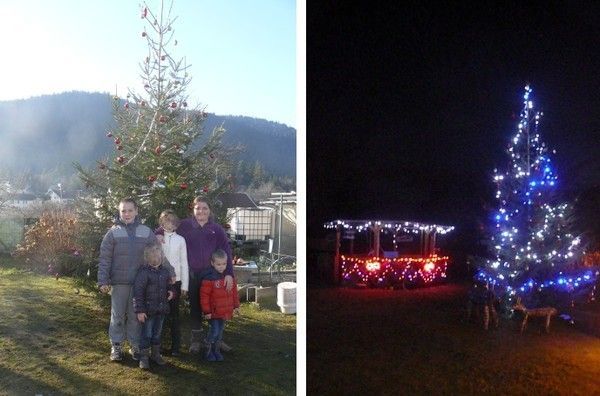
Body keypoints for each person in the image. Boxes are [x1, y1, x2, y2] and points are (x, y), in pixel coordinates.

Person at [98, 197, 175, 362]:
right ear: (119, 212)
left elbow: (158, 253)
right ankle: (116, 346)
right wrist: (103, 280)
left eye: (130, 210)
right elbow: (105, 259)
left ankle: (135, 345)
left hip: (140, 284)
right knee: (117, 315)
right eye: (123, 211)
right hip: (119, 283)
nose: (127, 214)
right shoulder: (112, 233)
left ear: (136, 211)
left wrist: (170, 271)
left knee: (135, 317)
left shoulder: (146, 232)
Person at [168, 196, 235, 354]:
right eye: (198, 208)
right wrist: (157, 234)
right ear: (193, 209)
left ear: (209, 210)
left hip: (212, 275)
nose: (201, 211)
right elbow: (167, 226)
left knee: (215, 306)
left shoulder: (216, 229)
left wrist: (228, 273)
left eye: (204, 208)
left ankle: (216, 340)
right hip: (192, 275)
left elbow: (226, 251)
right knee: (196, 307)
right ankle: (196, 341)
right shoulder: (184, 225)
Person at [133, 243, 175, 369]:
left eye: (158, 257)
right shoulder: (143, 273)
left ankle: (156, 354)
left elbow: (169, 286)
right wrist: (139, 310)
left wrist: (172, 292)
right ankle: (144, 357)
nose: (156, 260)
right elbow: (138, 293)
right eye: (153, 257)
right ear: (147, 258)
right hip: (148, 311)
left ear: (162, 257)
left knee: (157, 334)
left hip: (161, 310)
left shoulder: (165, 271)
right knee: (147, 334)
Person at [158, 209, 189, 356]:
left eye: (171, 221)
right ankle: (158, 346)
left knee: (174, 315)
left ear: (176, 224)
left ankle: (175, 347)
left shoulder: (180, 240)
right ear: (161, 222)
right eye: (165, 220)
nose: (168, 223)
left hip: (176, 282)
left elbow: (184, 263)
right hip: (159, 281)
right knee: (160, 314)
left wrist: (185, 285)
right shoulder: (157, 238)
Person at [200, 249, 240, 361]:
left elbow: (234, 293)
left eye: (224, 264)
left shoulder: (229, 277)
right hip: (213, 312)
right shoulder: (209, 278)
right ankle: (207, 351)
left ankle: (216, 351)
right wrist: (206, 311)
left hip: (224, 311)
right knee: (214, 331)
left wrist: (236, 306)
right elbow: (204, 297)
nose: (221, 267)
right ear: (212, 263)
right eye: (218, 264)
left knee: (220, 333)